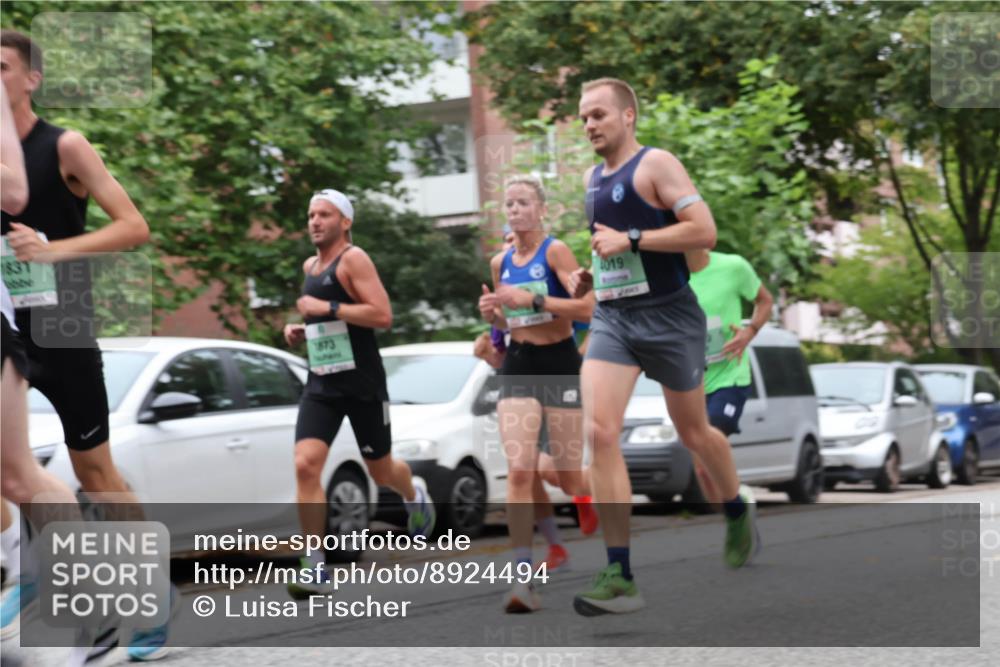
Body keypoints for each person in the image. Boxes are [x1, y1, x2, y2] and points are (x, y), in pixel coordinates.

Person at [0, 30, 173, 662]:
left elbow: (134, 227)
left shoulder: (64, 145)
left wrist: (54, 250)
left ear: (31, 79)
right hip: (6, 327)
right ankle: (35, 571)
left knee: (94, 471)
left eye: (1, 67)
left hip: (62, 324)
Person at [568, 78, 760, 616]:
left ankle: (735, 507)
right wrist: (593, 273)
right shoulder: (590, 178)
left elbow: (704, 231)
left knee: (694, 433)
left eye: (599, 114)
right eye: (583, 118)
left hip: (671, 318)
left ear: (628, 115)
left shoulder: (656, 164)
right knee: (599, 432)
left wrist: (631, 240)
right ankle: (620, 573)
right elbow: (612, 246)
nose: (589, 125)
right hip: (614, 318)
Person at [283, 189, 435, 600]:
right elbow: (325, 321)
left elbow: (381, 315)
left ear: (345, 222)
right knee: (305, 465)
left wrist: (327, 310)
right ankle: (314, 564)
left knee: (380, 472)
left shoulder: (354, 259)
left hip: (362, 383)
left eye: (324, 215)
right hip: (322, 383)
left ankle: (413, 493)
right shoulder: (311, 265)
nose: (315, 221)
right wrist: (302, 330)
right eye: (311, 215)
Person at [478, 176, 595, 613]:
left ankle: (595, 486)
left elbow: (586, 309)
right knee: (520, 470)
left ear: (542, 209)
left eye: (523, 203)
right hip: (519, 365)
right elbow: (508, 322)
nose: (515, 210)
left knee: (568, 478)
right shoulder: (500, 262)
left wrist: (535, 299)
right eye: (509, 204)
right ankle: (522, 579)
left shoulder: (556, 251)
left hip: (559, 363)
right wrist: (494, 315)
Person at [686, 249, 774, 505]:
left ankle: (735, 501)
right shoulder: (666, 275)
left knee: (713, 431)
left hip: (730, 376)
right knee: (703, 471)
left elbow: (765, 300)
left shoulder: (733, 266)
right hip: (690, 381)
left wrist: (749, 331)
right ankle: (735, 504)